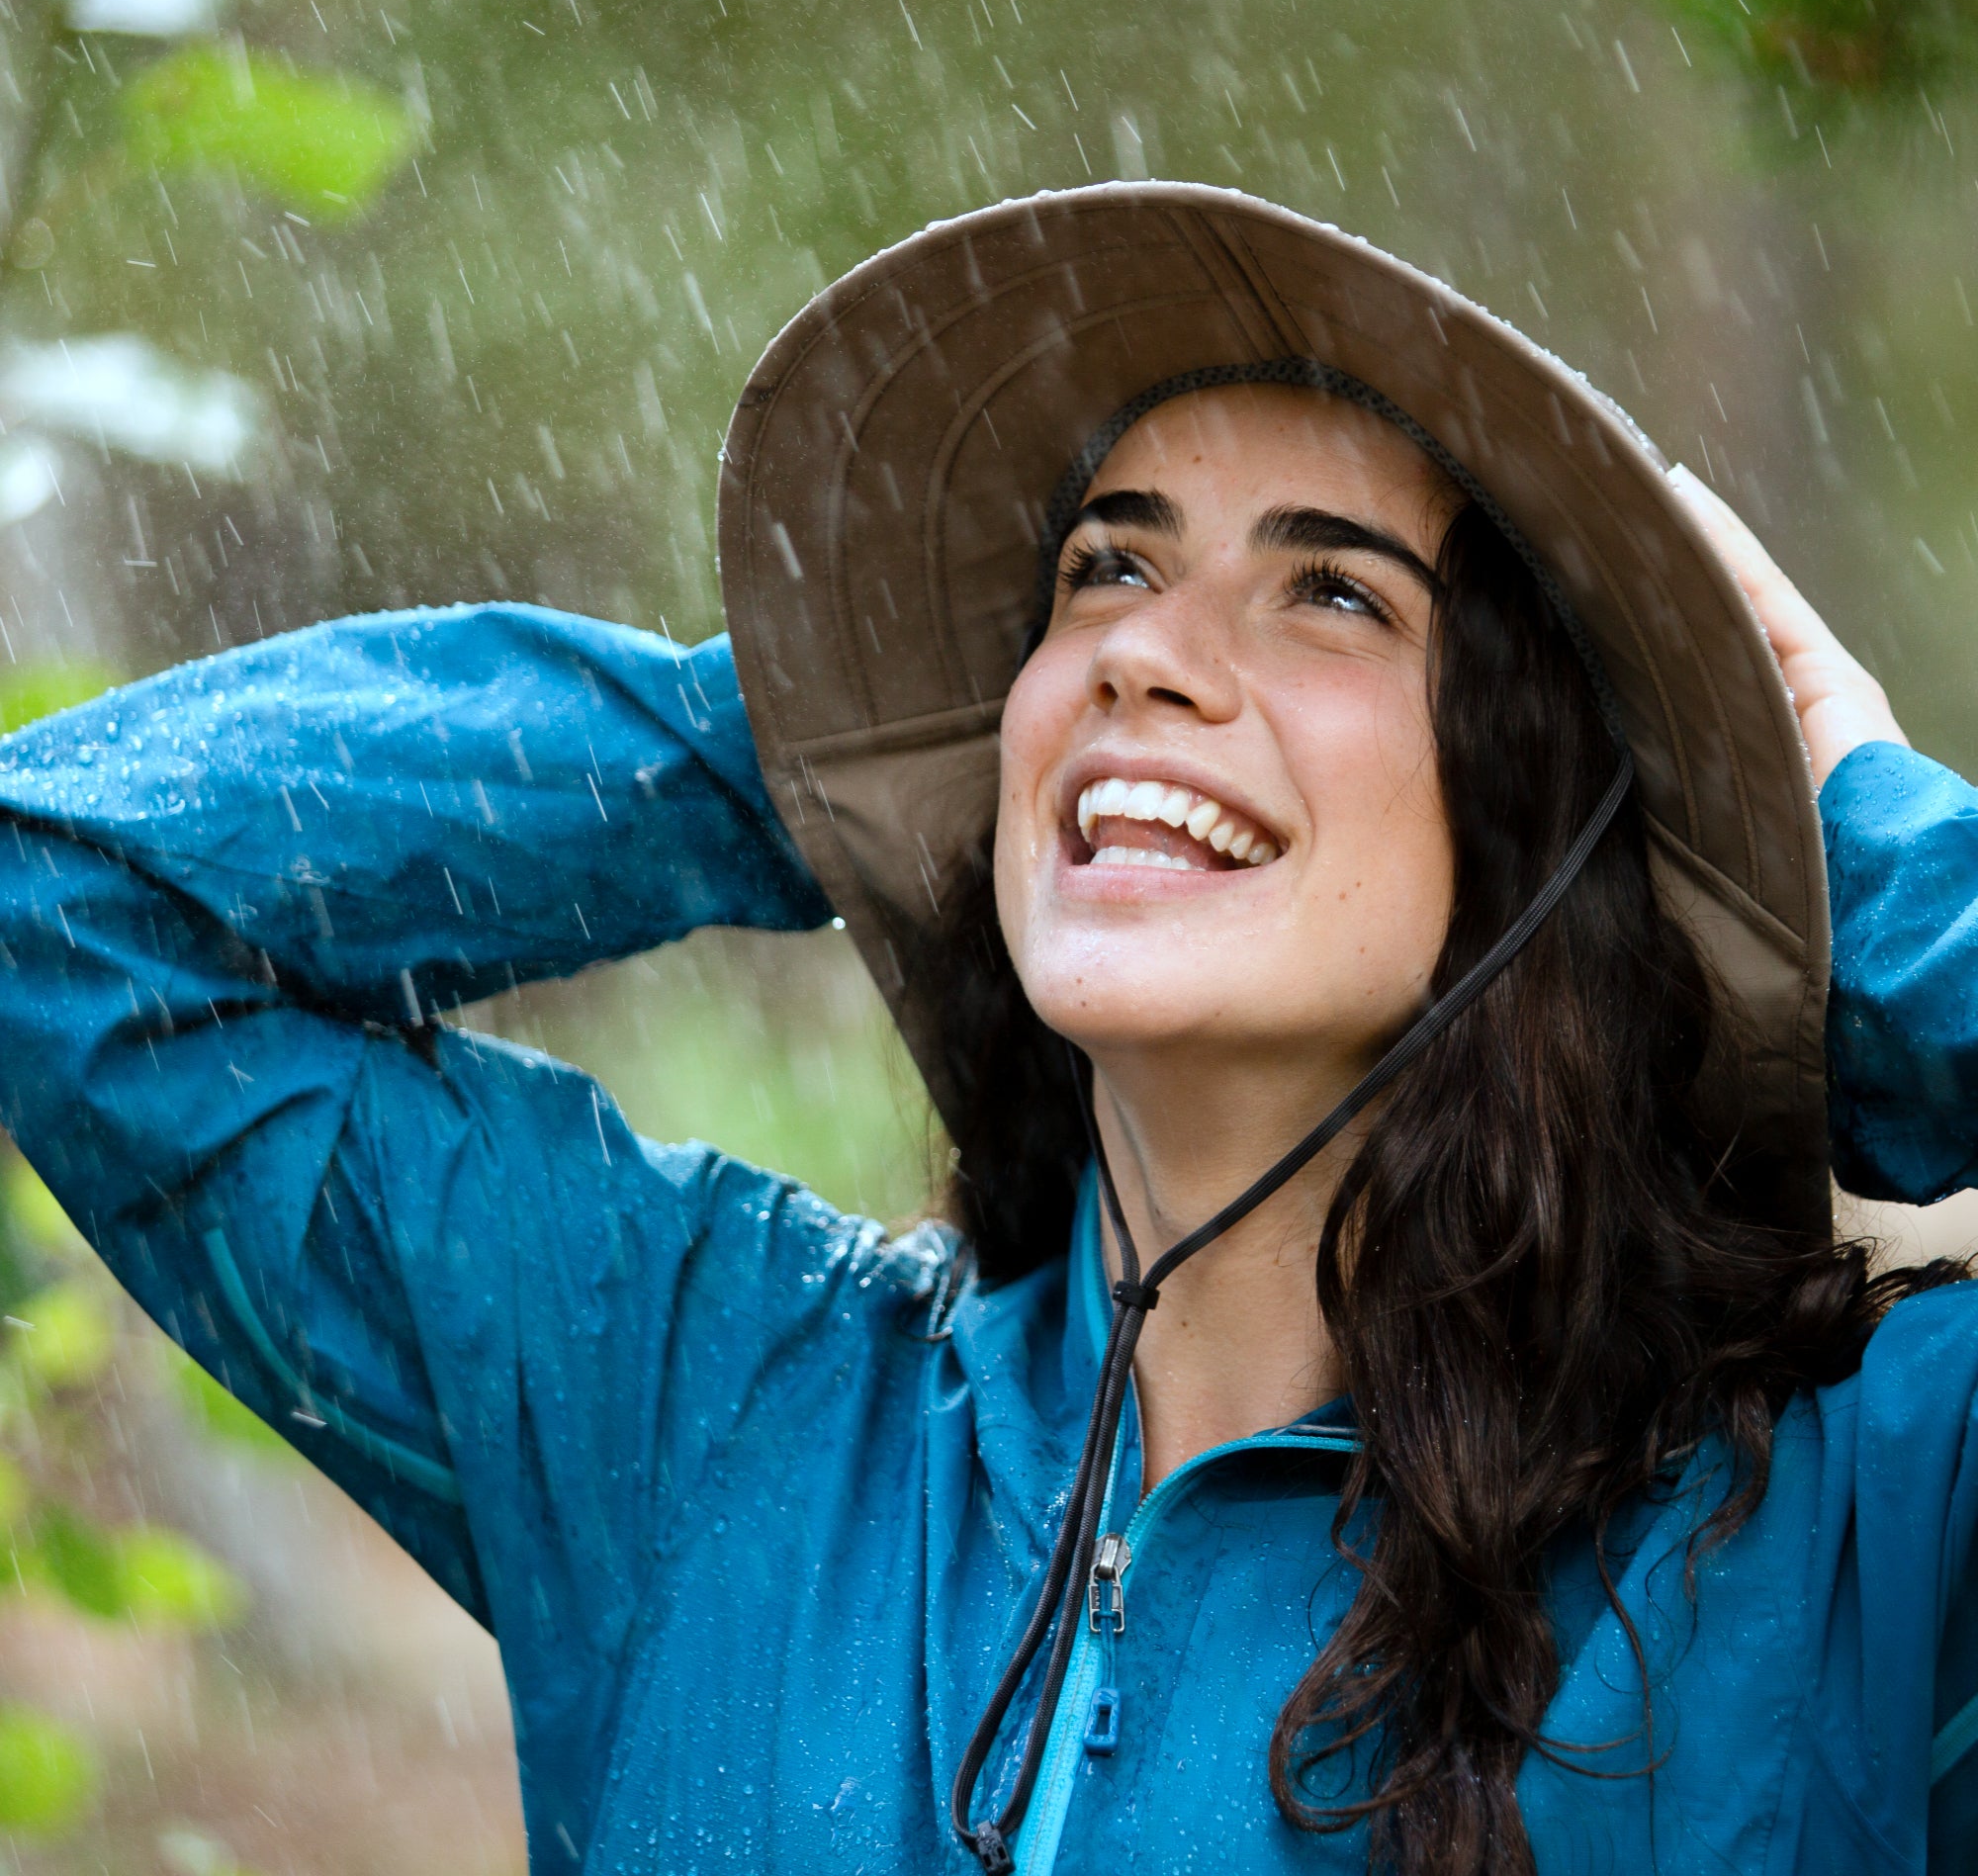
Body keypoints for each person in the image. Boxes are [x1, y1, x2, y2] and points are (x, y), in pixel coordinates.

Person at [2, 182, 1974, 1876]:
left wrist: (1864, 851)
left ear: (1533, 819)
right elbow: (61, 894)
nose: (1144, 652)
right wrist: (826, 755)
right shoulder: (711, 1395)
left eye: (1330, 595)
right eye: (1104, 568)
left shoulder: (1834, 1535)